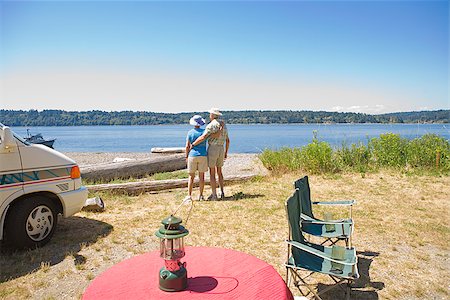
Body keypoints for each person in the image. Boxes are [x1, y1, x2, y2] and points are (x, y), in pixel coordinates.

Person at [191, 108, 230, 200]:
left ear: (212, 115)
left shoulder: (211, 125)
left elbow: (203, 137)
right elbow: (228, 140)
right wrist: (226, 152)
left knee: (212, 173)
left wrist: (193, 144)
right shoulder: (223, 125)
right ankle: (222, 192)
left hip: (213, 148)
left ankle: (214, 195)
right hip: (221, 148)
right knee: (219, 172)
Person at [184, 115, 208, 201]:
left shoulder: (190, 132)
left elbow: (187, 146)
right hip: (203, 155)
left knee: (191, 177)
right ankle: (201, 195)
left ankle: (189, 196)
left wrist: (186, 156)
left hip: (192, 155)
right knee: (201, 177)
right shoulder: (204, 132)